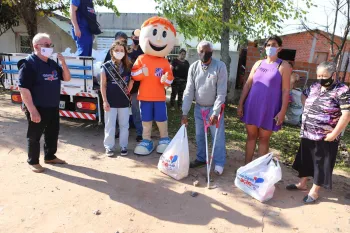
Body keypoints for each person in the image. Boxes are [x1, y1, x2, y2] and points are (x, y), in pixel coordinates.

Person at [286, 61, 350, 204]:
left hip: (325, 135)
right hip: (308, 131)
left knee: (320, 162)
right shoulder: (315, 86)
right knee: (306, 158)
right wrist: (308, 108)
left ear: (334, 75)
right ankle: (302, 183)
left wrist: (334, 134)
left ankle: (314, 191)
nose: (321, 78)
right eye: (319, 75)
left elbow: (346, 114)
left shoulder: (342, 90)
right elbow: (304, 95)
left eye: (324, 76)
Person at [18, 33, 71, 173]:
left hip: (52, 106)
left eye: (50, 44)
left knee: (52, 133)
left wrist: (64, 63)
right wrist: (32, 110)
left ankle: (50, 156)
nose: (50, 47)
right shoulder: (29, 64)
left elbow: (66, 78)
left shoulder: (51, 63)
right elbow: (23, 89)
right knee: (35, 136)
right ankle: (33, 161)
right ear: (36, 46)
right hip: (38, 107)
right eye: (46, 45)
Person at [238, 35, 291, 164]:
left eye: (274, 45)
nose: (270, 47)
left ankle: (259, 169)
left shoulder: (284, 66)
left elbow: (285, 91)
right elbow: (248, 84)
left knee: (263, 139)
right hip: (252, 106)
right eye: (268, 45)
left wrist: (282, 111)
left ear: (279, 48)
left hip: (269, 109)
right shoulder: (258, 63)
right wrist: (240, 104)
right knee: (251, 136)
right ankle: (247, 167)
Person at [181, 41, 228, 175]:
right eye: (202, 51)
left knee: (217, 137)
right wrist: (185, 112)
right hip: (199, 108)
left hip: (214, 109)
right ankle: (201, 158)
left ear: (212, 53)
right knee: (199, 135)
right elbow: (189, 90)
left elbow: (221, 92)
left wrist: (215, 112)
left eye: (208, 52)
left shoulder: (220, 66)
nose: (204, 54)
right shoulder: (194, 67)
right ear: (198, 52)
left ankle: (219, 163)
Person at [100, 40, 132, 157]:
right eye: (117, 50)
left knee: (124, 125)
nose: (119, 52)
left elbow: (130, 85)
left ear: (125, 52)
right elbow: (102, 85)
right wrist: (104, 101)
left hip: (123, 101)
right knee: (110, 125)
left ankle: (124, 146)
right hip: (110, 101)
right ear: (112, 52)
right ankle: (109, 147)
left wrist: (131, 84)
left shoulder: (128, 67)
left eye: (121, 50)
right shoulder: (106, 67)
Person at [128, 30, 144, 142]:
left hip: (138, 86)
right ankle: (121, 130)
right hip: (125, 84)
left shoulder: (143, 51)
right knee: (121, 109)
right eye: (135, 36)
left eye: (139, 36)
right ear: (131, 37)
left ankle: (139, 133)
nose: (137, 38)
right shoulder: (126, 50)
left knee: (137, 110)